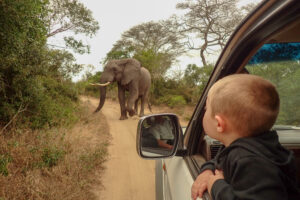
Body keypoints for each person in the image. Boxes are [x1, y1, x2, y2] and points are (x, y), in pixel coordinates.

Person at [191, 74, 300, 200]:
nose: (204, 113)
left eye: (206, 109)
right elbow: (219, 161)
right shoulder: (253, 147)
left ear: (219, 123)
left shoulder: (250, 161)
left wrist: (216, 186)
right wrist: (207, 170)